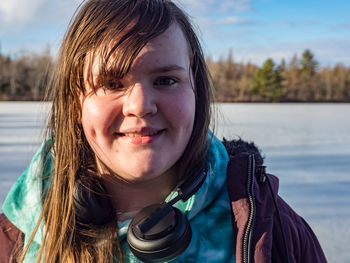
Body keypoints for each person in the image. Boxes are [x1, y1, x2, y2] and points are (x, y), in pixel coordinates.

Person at [0, 0, 327, 262]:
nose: (140, 106)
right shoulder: (17, 234)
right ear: (76, 102)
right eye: (112, 84)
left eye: (166, 80)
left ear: (195, 93)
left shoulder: (271, 233)